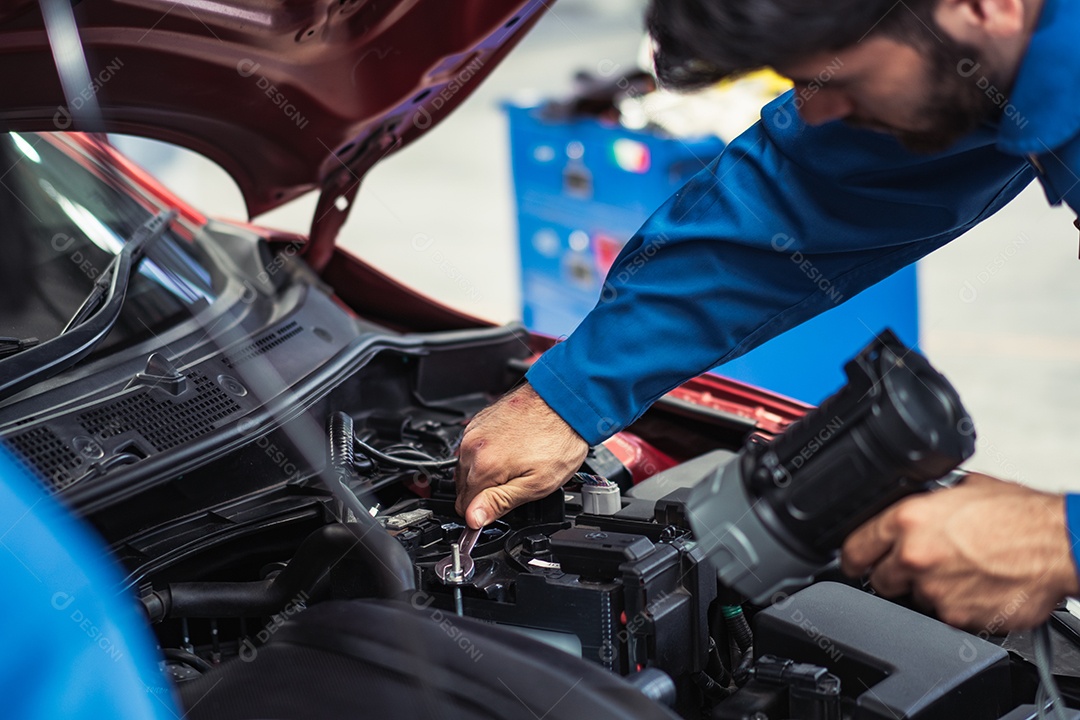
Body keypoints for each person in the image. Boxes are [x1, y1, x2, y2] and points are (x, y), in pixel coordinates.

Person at [455, 0, 1080, 632]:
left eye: (839, 80)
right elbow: (799, 195)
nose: (811, 108)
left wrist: (1060, 537)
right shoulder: (969, 50)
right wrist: (570, 392)